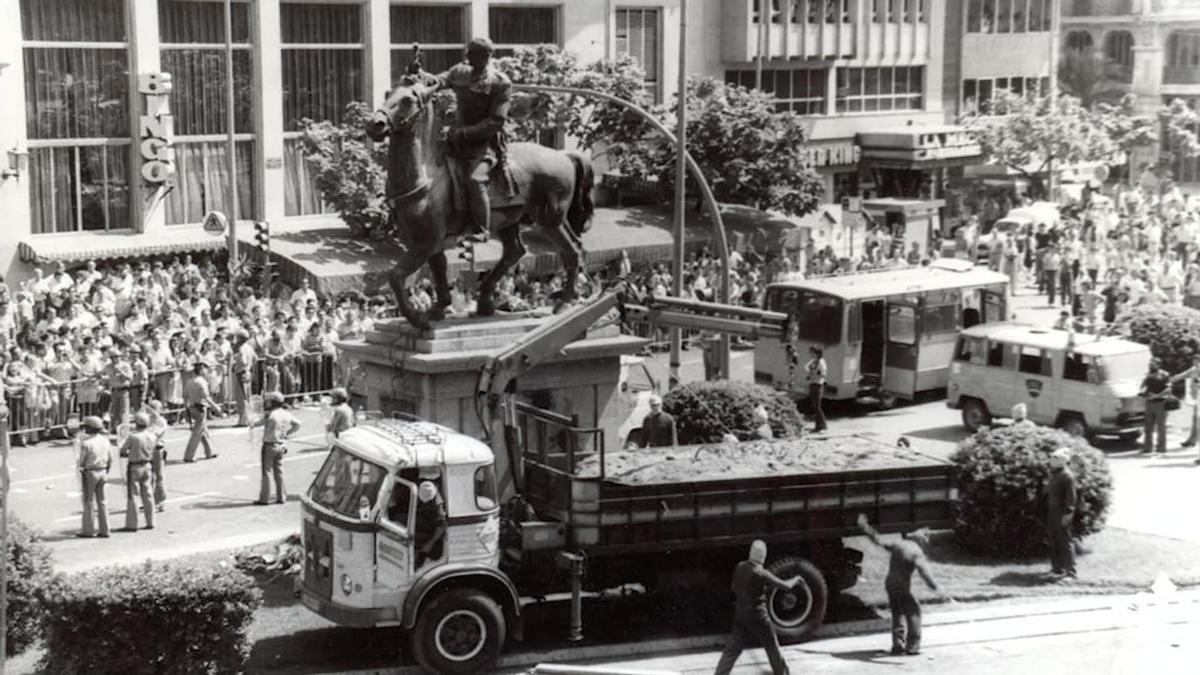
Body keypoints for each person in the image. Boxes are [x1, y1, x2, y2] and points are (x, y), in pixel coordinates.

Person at [428, 37, 512, 240]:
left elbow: (496, 121)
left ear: (487, 56)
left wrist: (464, 133)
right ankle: (451, 218)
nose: (468, 57)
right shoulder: (460, 72)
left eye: (473, 54)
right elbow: (440, 80)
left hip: (485, 142)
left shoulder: (500, 83)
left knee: (475, 180)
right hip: (456, 138)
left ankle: (482, 229)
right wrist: (421, 76)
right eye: (468, 53)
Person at [857, 514, 949, 655]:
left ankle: (898, 644)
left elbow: (878, 540)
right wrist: (937, 588)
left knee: (897, 612)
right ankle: (913, 647)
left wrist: (866, 528)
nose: (927, 541)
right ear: (922, 538)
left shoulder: (898, 544)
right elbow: (925, 574)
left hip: (889, 583)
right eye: (926, 538)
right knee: (914, 612)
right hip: (902, 586)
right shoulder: (916, 552)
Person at [713, 540, 799, 675]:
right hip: (759, 616)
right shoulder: (761, 573)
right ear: (763, 556)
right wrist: (797, 579)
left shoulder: (739, 566)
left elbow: (734, 588)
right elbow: (785, 586)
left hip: (741, 615)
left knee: (731, 650)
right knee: (772, 648)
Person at [249, 391, 301, 505]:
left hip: (269, 444)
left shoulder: (270, 414)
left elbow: (257, 423)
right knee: (279, 471)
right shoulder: (286, 413)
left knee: (266, 472)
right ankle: (281, 496)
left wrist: (252, 422)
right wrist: (288, 433)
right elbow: (297, 424)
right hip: (281, 444)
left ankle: (264, 498)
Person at [76, 416, 113, 538]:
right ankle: (105, 529)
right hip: (102, 471)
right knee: (102, 501)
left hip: (90, 472)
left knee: (89, 501)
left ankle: (88, 530)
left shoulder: (86, 443)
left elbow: (81, 461)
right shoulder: (105, 441)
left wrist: (81, 468)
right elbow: (110, 458)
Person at [119, 412, 156, 531]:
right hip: (147, 464)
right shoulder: (152, 436)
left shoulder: (133, 437)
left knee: (133, 495)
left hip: (134, 466)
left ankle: (132, 524)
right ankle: (151, 521)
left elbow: (123, 451)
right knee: (148, 494)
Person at [182, 361, 223, 462]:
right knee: (197, 432)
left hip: (192, 406)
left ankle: (210, 451)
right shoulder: (202, 382)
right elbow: (206, 396)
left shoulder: (189, 381)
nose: (206, 371)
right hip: (200, 407)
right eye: (204, 369)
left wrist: (186, 408)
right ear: (201, 371)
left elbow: (185, 396)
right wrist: (215, 406)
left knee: (203, 430)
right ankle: (189, 455)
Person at [1047, 447, 1078, 579]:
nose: (1052, 460)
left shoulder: (1067, 476)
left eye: (1056, 458)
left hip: (1062, 512)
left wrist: (1068, 513)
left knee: (1065, 541)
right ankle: (1057, 568)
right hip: (1053, 511)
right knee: (1054, 540)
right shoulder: (1054, 474)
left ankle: (1070, 571)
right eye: (1052, 457)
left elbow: (1071, 497)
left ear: (1063, 461)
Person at [1138, 358, 1171, 455]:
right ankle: (1147, 448)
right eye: (1150, 364)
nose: (1150, 365)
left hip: (1161, 403)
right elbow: (1142, 387)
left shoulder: (1165, 374)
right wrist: (1142, 391)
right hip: (1149, 402)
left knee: (1161, 427)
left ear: (1158, 365)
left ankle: (1161, 448)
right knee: (1148, 427)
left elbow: (1169, 389)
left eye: (1153, 364)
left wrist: (1157, 395)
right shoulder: (1148, 375)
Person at [414, 480, 447, 569]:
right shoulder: (425, 487)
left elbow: (441, 527)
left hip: (429, 534)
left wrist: (430, 544)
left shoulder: (437, 507)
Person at [806, 346, 828, 433]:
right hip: (812, 383)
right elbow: (807, 367)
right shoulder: (813, 361)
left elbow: (823, 374)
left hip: (818, 384)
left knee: (817, 406)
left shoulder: (821, 362)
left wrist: (815, 374)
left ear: (817, 353)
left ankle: (823, 425)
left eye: (812, 352)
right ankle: (817, 426)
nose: (810, 354)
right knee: (814, 406)